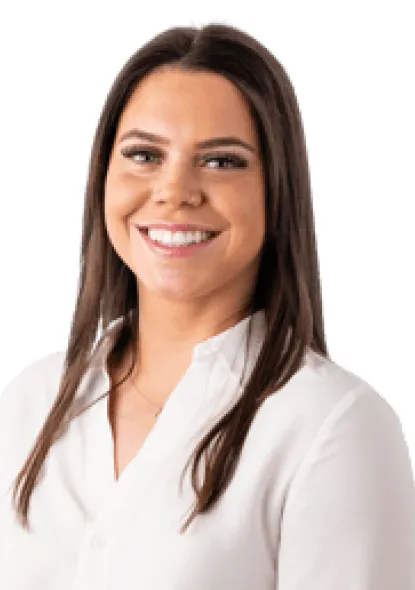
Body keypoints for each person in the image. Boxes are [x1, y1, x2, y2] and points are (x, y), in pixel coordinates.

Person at [0, 22, 414, 590]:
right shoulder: (30, 404)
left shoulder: (334, 427)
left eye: (221, 161)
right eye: (144, 154)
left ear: (277, 190)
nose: (175, 191)